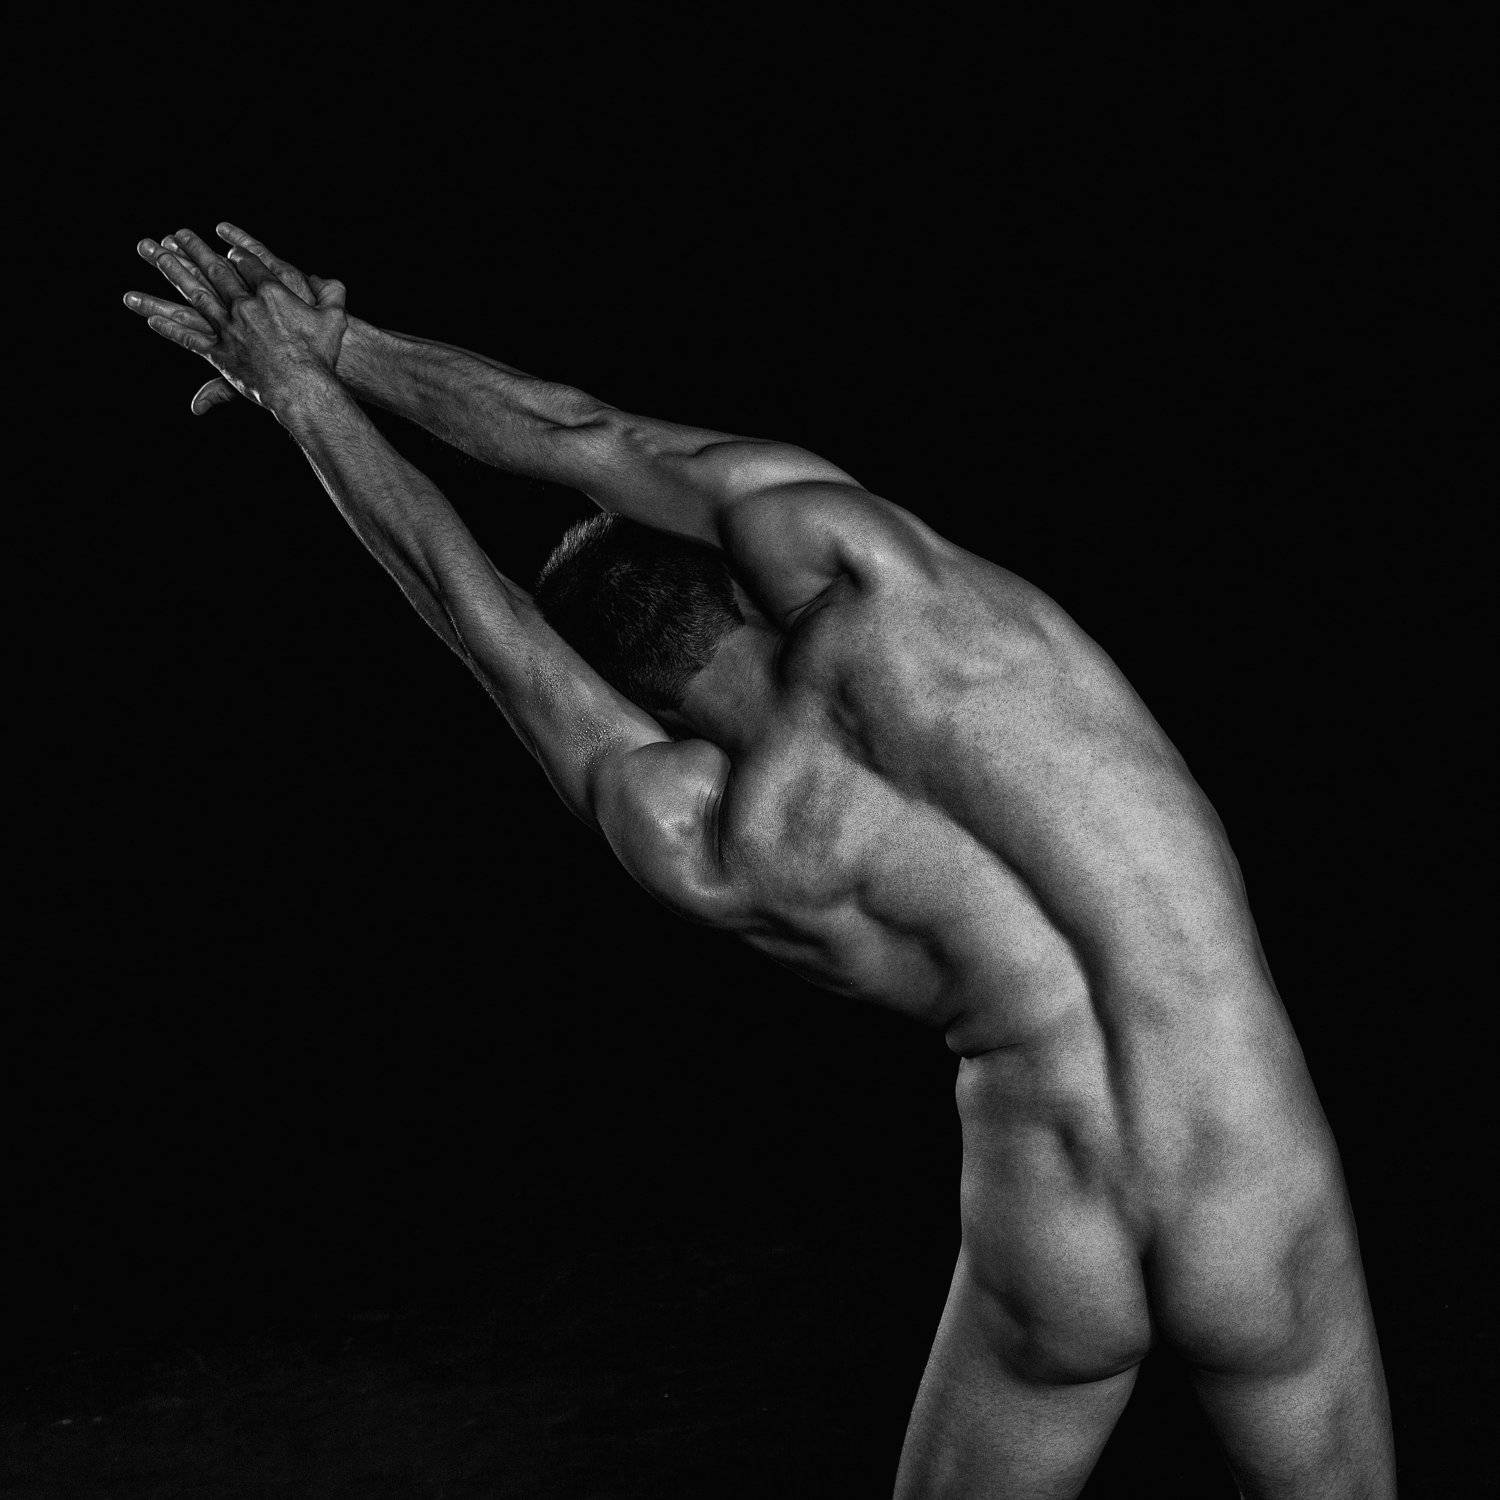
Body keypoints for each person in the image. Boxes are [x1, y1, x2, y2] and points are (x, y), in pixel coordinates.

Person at [124, 222, 1396, 1498]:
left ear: (644, 699)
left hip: (1046, 1219)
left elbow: (479, 615)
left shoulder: (707, 839)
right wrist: (340, 347)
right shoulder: (882, 581)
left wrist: (306, 409)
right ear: (730, 580)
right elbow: (582, 434)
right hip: (1245, 1169)